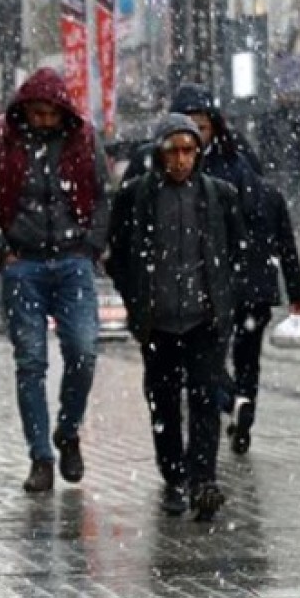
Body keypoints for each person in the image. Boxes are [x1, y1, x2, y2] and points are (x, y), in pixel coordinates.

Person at [0, 67, 110, 494]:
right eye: (37, 113)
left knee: (83, 352)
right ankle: (40, 457)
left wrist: (89, 247)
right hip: (22, 264)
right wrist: (2, 251)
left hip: (72, 262)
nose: (44, 120)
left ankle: (67, 430)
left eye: (50, 113)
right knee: (30, 362)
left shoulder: (83, 139)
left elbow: (103, 196)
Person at [107, 114, 245, 520]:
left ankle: (204, 480)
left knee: (204, 397)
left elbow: (236, 250)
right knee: (164, 400)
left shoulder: (219, 195)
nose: (182, 159)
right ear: (159, 153)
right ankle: (174, 477)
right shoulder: (136, 197)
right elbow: (118, 253)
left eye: (189, 150)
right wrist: (137, 298)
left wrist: (222, 295)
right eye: (174, 151)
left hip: (204, 318)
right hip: (158, 320)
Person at [166, 84, 300, 455]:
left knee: (205, 358)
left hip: (219, 284)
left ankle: (231, 403)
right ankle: (243, 410)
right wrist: (295, 291)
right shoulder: (251, 174)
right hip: (254, 284)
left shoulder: (202, 176)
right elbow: (283, 240)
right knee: (247, 358)